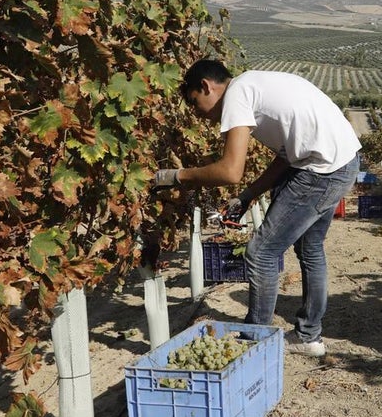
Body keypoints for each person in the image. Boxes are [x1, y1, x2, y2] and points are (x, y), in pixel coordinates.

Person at [154, 60, 361, 356]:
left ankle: (256, 341)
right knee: (310, 248)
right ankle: (308, 337)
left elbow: (229, 171)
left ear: (206, 87)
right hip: (341, 160)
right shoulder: (255, 86)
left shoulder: (237, 94)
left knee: (261, 253)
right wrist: (249, 195)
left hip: (322, 170)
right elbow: (286, 155)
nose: (198, 114)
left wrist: (176, 176)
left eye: (194, 102)